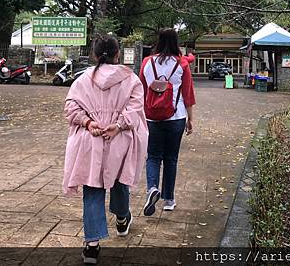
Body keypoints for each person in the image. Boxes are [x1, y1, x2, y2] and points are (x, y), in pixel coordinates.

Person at [62, 35, 148, 264]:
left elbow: (71, 107)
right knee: (120, 181)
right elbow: (136, 108)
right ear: (118, 54)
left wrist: (89, 123)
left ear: (95, 55)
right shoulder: (131, 80)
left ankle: (92, 246)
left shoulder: (82, 80)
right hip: (119, 139)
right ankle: (122, 218)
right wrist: (118, 126)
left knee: (93, 187)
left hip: (92, 139)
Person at [139, 28, 196, 216]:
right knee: (171, 159)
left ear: (158, 41)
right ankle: (169, 200)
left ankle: (152, 188)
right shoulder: (182, 65)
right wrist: (190, 119)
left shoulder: (147, 63)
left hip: (151, 117)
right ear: (175, 42)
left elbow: (141, 91)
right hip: (176, 117)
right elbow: (187, 94)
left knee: (153, 156)